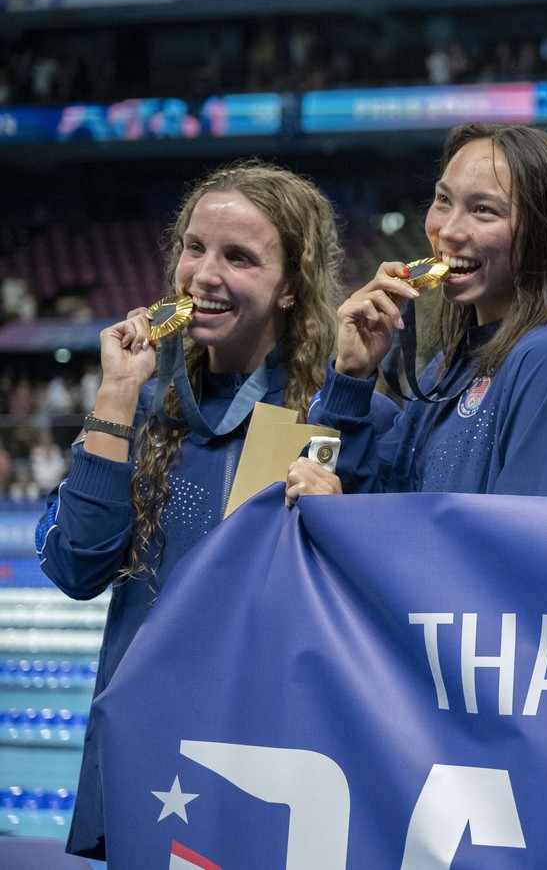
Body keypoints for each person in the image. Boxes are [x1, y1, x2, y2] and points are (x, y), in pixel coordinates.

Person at [34, 159, 345, 859]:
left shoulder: (339, 419)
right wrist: (114, 396)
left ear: (291, 286)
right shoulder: (141, 406)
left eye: (238, 256)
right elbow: (75, 565)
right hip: (145, 752)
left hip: (265, 760)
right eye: (194, 247)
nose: (204, 273)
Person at [285, 122, 547, 499]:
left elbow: (519, 545)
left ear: (544, 234)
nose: (448, 231)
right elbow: (378, 501)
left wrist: (348, 527)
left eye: (483, 210)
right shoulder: (444, 369)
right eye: (443, 200)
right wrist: (352, 375)